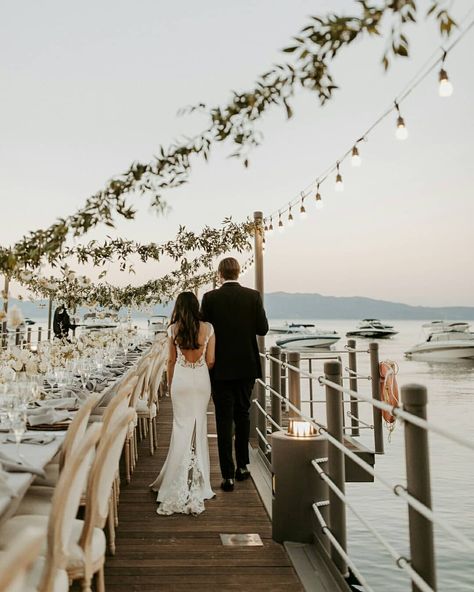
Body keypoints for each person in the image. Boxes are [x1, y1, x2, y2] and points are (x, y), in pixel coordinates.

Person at [201, 257, 269, 492]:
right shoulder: (253, 296)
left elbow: (204, 330)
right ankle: (242, 467)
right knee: (243, 415)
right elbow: (263, 329)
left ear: (220, 273)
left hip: (219, 367)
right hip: (246, 366)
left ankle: (227, 475)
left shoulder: (210, 298)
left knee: (222, 419)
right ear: (239, 273)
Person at [150, 292, 216, 515]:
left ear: (178, 306)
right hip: (200, 381)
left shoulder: (173, 329)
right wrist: (198, 372)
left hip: (181, 380)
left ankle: (174, 480)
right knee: (198, 427)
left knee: (181, 428)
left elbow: (170, 360)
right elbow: (210, 361)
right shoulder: (208, 328)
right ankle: (199, 481)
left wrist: (170, 384)